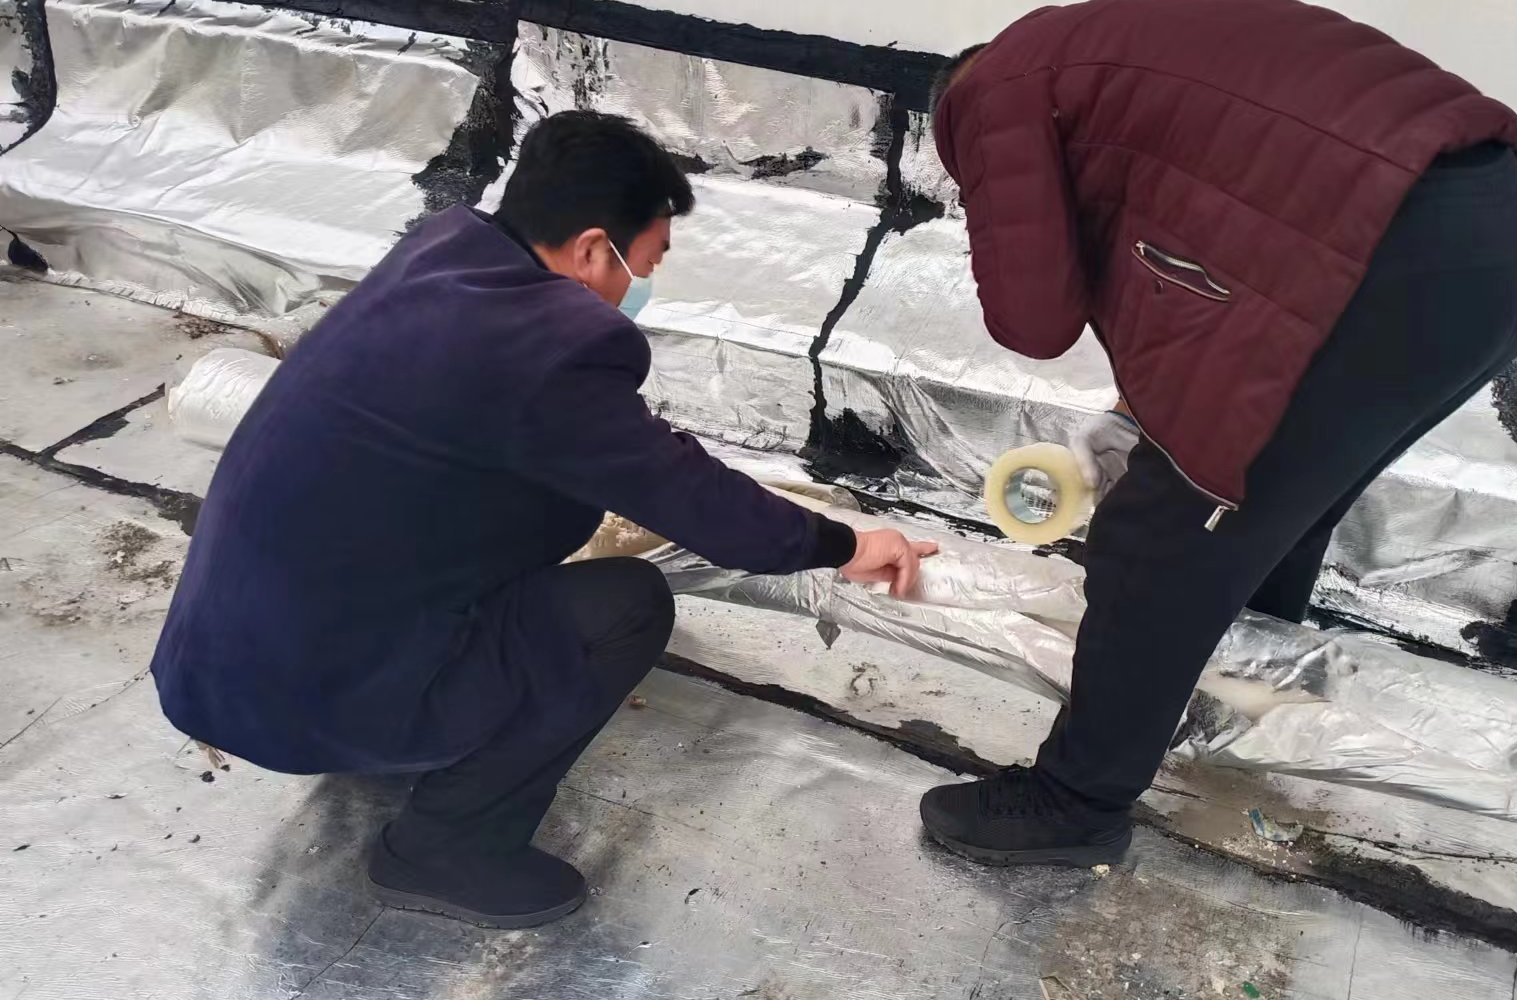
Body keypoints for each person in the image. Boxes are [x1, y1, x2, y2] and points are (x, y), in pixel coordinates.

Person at [151, 111, 936, 928]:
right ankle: (444, 848)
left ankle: (391, 737)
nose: (641, 285)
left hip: (220, 663)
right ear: (594, 249)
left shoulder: (440, 256)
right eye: (646, 262)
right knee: (624, 607)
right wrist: (844, 543)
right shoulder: (547, 344)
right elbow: (695, 500)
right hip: (301, 697)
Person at [919, 0, 1517, 867]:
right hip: (1495, 244)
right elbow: (1195, 251)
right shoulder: (1107, 50)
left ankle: (1075, 802)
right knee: (1277, 508)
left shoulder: (994, 92)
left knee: (1157, 538)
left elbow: (1034, 317)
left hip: (1381, 258)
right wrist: (1139, 410)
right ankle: (1226, 702)